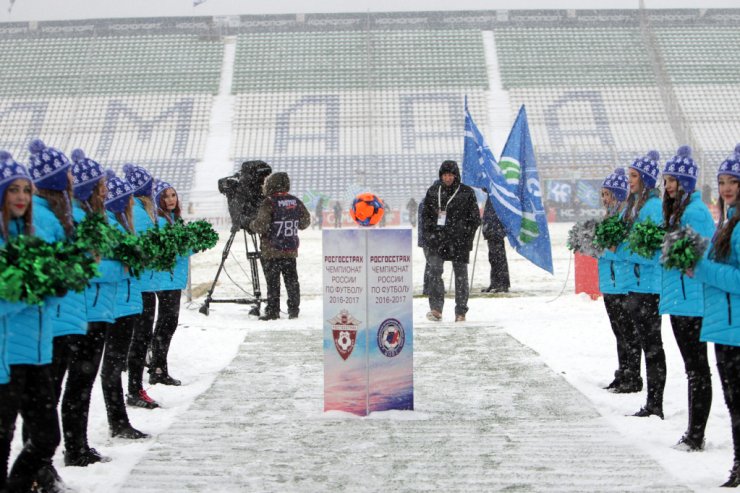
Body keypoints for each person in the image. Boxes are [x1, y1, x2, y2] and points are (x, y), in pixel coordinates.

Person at [0, 150, 69, 493]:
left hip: (39, 352)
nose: (22, 197)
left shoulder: (33, 234)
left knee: (46, 437)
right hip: (8, 356)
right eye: (13, 190)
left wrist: (56, 285)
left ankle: (15, 485)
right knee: (3, 438)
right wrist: (26, 291)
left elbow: (44, 292)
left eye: (26, 190)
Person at [59, 148, 124, 466]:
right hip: (87, 310)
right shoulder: (80, 219)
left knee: (80, 384)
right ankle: (74, 448)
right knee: (78, 383)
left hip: (97, 309)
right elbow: (90, 268)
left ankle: (79, 444)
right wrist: (122, 266)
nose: (106, 189)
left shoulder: (93, 216)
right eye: (101, 185)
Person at [659, 146, 715, 451]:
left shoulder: (694, 211)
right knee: (694, 370)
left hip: (692, 301)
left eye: (673, 180)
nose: (668, 186)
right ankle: (694, 432)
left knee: (697, 370)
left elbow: (701, 252)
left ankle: (696, 435)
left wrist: (680, 256)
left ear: (686, 183)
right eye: (667, 180)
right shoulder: (679, 210)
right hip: (681, 299)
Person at [691, 143, 740, 486]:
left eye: (733, 181)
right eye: (722, 181)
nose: (725, 188)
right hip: (725, 326)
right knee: (734, 404)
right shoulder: (727, 222)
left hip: (735, 327)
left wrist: (701, 268)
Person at [613, 150, 667, 419]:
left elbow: (653, 250)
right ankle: (651, 401)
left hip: (650, 287)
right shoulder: (637, 205)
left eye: (634, 176)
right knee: (647, 344)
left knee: (653, 346)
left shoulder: (654, 207)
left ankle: (655, 404)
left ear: (645, 179)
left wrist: (625, 251)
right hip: (637, 284)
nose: (629, 181)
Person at [101, 170, 149, 439]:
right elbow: (100, 266)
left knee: (115, 365)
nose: (131, 203)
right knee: (113, 366)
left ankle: (120, 420)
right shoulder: (110, 224)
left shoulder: (119, 222)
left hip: (125, 302)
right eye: (127, 199)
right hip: (116, 305)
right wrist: (128, 265)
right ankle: (117, 421)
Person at [597, 168, 643, 394]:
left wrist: (603, 250)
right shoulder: (609, 217)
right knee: (619, 331)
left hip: (623, 284)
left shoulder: (627, 216)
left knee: (629, 333)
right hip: (609, 283)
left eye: (608, 194)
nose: (605, 199)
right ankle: (623, 371)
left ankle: (632, 375)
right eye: (603, 194)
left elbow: (624, 251)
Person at [421, 160, 480, 322]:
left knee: (461, 276)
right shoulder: (433, 191)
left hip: (459, 241)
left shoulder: (466, 192)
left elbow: (474, 219)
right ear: (441, 175)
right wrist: (429, 236)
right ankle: (436, 308)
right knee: (434, 272)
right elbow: (425, 216)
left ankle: (460, 312)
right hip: (437, 241)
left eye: (450, 175)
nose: (447, 178)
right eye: (445, 175)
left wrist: (467, 238)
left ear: (456, 175)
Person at [122, 163, 161, 409]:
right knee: (139, 339)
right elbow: (145, 247)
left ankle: (136, 388)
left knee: (140, 339)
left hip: (144, 283)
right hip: (141, 285)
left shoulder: (140, 209)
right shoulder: (138, 211)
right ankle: (134, 389)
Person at [250, 172, 311, 321]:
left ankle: (273, 311)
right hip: (290, 250)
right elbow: (305, 222)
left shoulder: (269, 202)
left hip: (272, 251)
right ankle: (294, 310)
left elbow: (261, 225)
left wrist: (250, 224)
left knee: (273, 283)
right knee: (292, 281)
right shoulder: (295, 201)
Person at [149, 180, 190, 386]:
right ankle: (158, 368)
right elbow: (173, 250)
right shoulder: (162, 222)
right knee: (166, 324)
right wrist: (192, 244)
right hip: (166, 280)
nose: (171, 199)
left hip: (173, 279)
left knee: (166, 324)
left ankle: (157, 366)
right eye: (165, 196)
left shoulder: (174, 219)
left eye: (173, 195)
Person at [480, 197, 510, 293]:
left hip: (496, 228)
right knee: (493, 257)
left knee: (499, 257)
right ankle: (495, 282)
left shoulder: (496, 193)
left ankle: (503, 283)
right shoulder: (491, 194)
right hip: (491, 228)